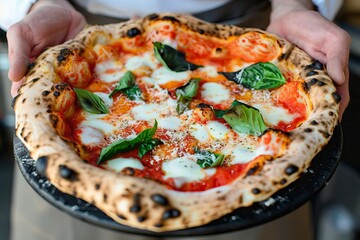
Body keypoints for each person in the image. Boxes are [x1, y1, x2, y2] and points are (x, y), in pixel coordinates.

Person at [0, 0, 351, 240]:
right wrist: (35, 3)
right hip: (73, 27)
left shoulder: (283, 104)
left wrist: (297, 3)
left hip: (257, 34)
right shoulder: (69, 86)